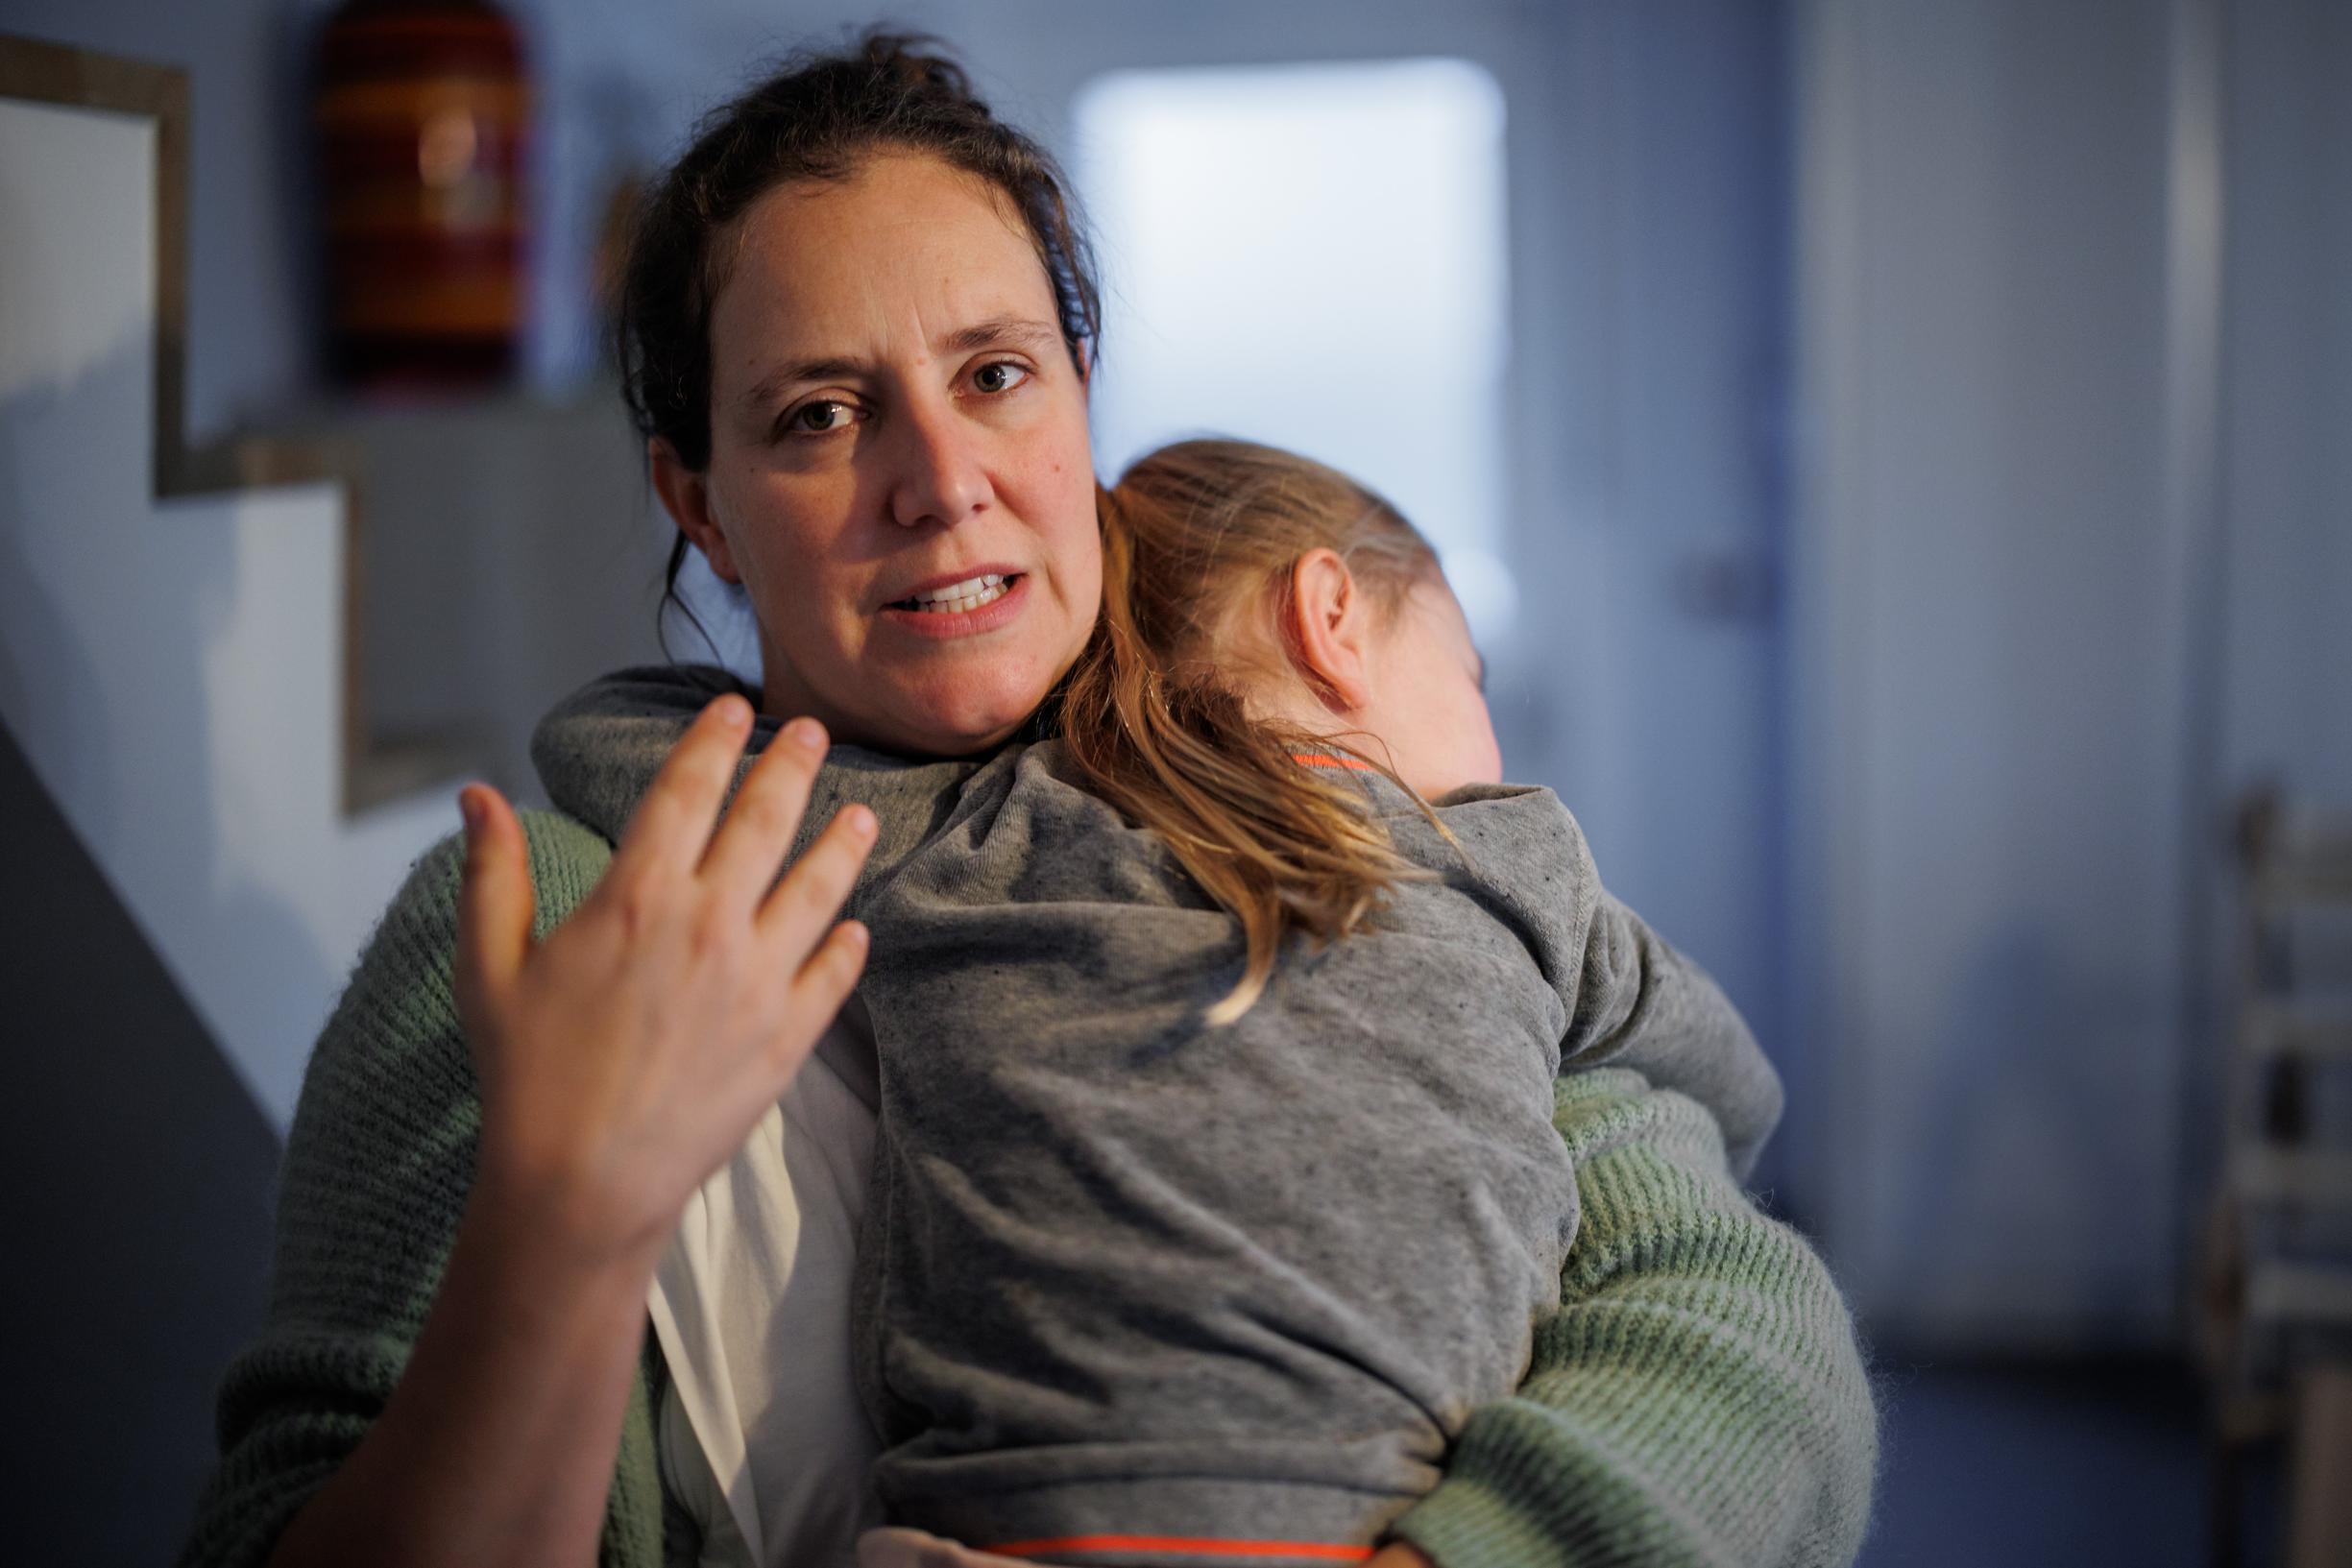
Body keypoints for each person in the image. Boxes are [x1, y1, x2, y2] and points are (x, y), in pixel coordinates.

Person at [175, 32, 1877, 1568]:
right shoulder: (542, 923)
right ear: (699, 505)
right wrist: (560, 1225)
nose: (941, 482)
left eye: (995, 374)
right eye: (821, 414)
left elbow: (1742, 1336)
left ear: (1076, 397)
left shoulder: (1289, 807)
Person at [525, 436, 1801, 1564]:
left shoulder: (966, 835)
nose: (1491, 743)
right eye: (1465, 672)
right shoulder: (1508, 856)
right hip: (1374, 1517)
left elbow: (603, 734)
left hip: (998, 1523)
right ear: (1330, 614)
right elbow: (1722, 1068)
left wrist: (976, 735)